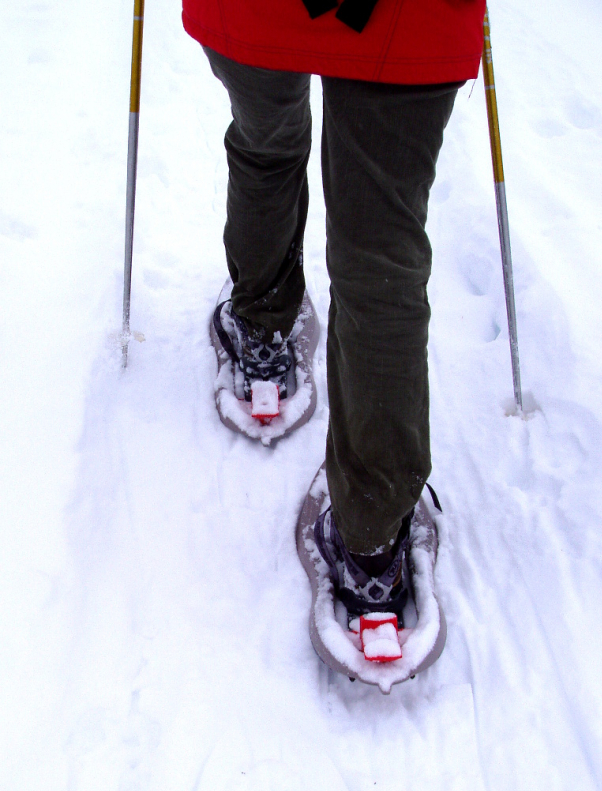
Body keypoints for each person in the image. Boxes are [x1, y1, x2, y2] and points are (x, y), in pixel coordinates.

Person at [182, 0, 485, 630]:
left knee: (268, 146)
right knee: (379, 260)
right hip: (408, 20)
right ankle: (371, 541)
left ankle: (262, 328)